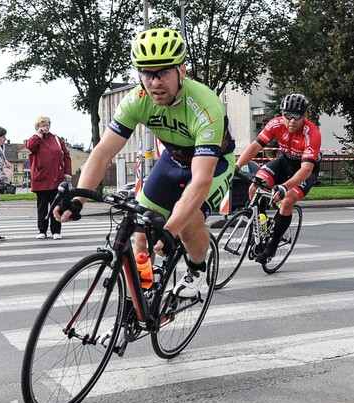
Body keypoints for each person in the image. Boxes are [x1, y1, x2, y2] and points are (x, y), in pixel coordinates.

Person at [55, 28, 235, 297]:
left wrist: (170, 230)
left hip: (214, 164)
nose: (155, 82)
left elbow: (201, 179)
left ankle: (198, 269)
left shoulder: (206, 105)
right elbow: (103, 152)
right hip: (172, 159)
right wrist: (78, 198)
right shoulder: (135, 101)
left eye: (163, 72)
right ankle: (144, 297)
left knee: (187, 222)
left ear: (182, 71)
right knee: (141, 233)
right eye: (147, 73)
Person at [234, 93, 322, 264]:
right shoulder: (276, 124)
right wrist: (236, 166)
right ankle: (261, 227)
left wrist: (284, 187)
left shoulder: (312, 133)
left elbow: (306, 169)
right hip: (284, 162)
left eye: (296, 116)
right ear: (282, 114)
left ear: (305, 116)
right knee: (255, 187)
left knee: (288, 200)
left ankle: (272, 246)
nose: (291, 121)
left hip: (304, 169)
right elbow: (255, 147)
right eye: (287, 116)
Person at [25, 116, 72, 240]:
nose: (44, 127)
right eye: (42, 125)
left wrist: (67, 173)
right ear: (37, 127)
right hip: (41, 178)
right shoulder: (35, 139)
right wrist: (38, 135)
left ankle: (56, 230)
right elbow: (30, 147)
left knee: (56, 205)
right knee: (42, 206)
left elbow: (66, 156)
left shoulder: (56, 139)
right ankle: (42, 230)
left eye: (46, 125)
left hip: (57, 177)